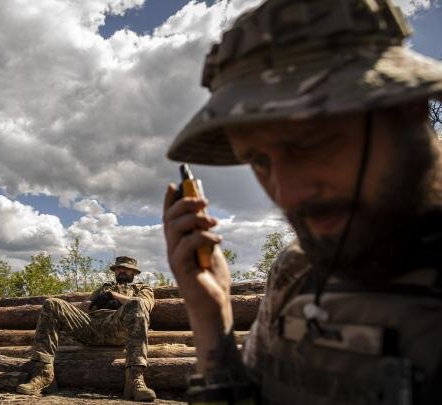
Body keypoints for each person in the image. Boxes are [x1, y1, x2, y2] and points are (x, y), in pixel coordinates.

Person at [162, 0, 442, 403]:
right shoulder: (298, 269)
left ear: (407, 111)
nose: (287, 194)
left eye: (313, 145)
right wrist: (213, 315)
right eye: (258, 160)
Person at [16, 256, 157, 401]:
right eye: (118, 268)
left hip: (117, 329)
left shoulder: (142, 288)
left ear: (133, 273)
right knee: (52, 304)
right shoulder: (104, 287)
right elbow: (84, 307)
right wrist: (95, 303)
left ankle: (135, 380)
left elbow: (145, 305)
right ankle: (43, 374)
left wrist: (114, 297)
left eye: (125, 269)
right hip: (91, 327)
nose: (121, 270)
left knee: (138, 304)